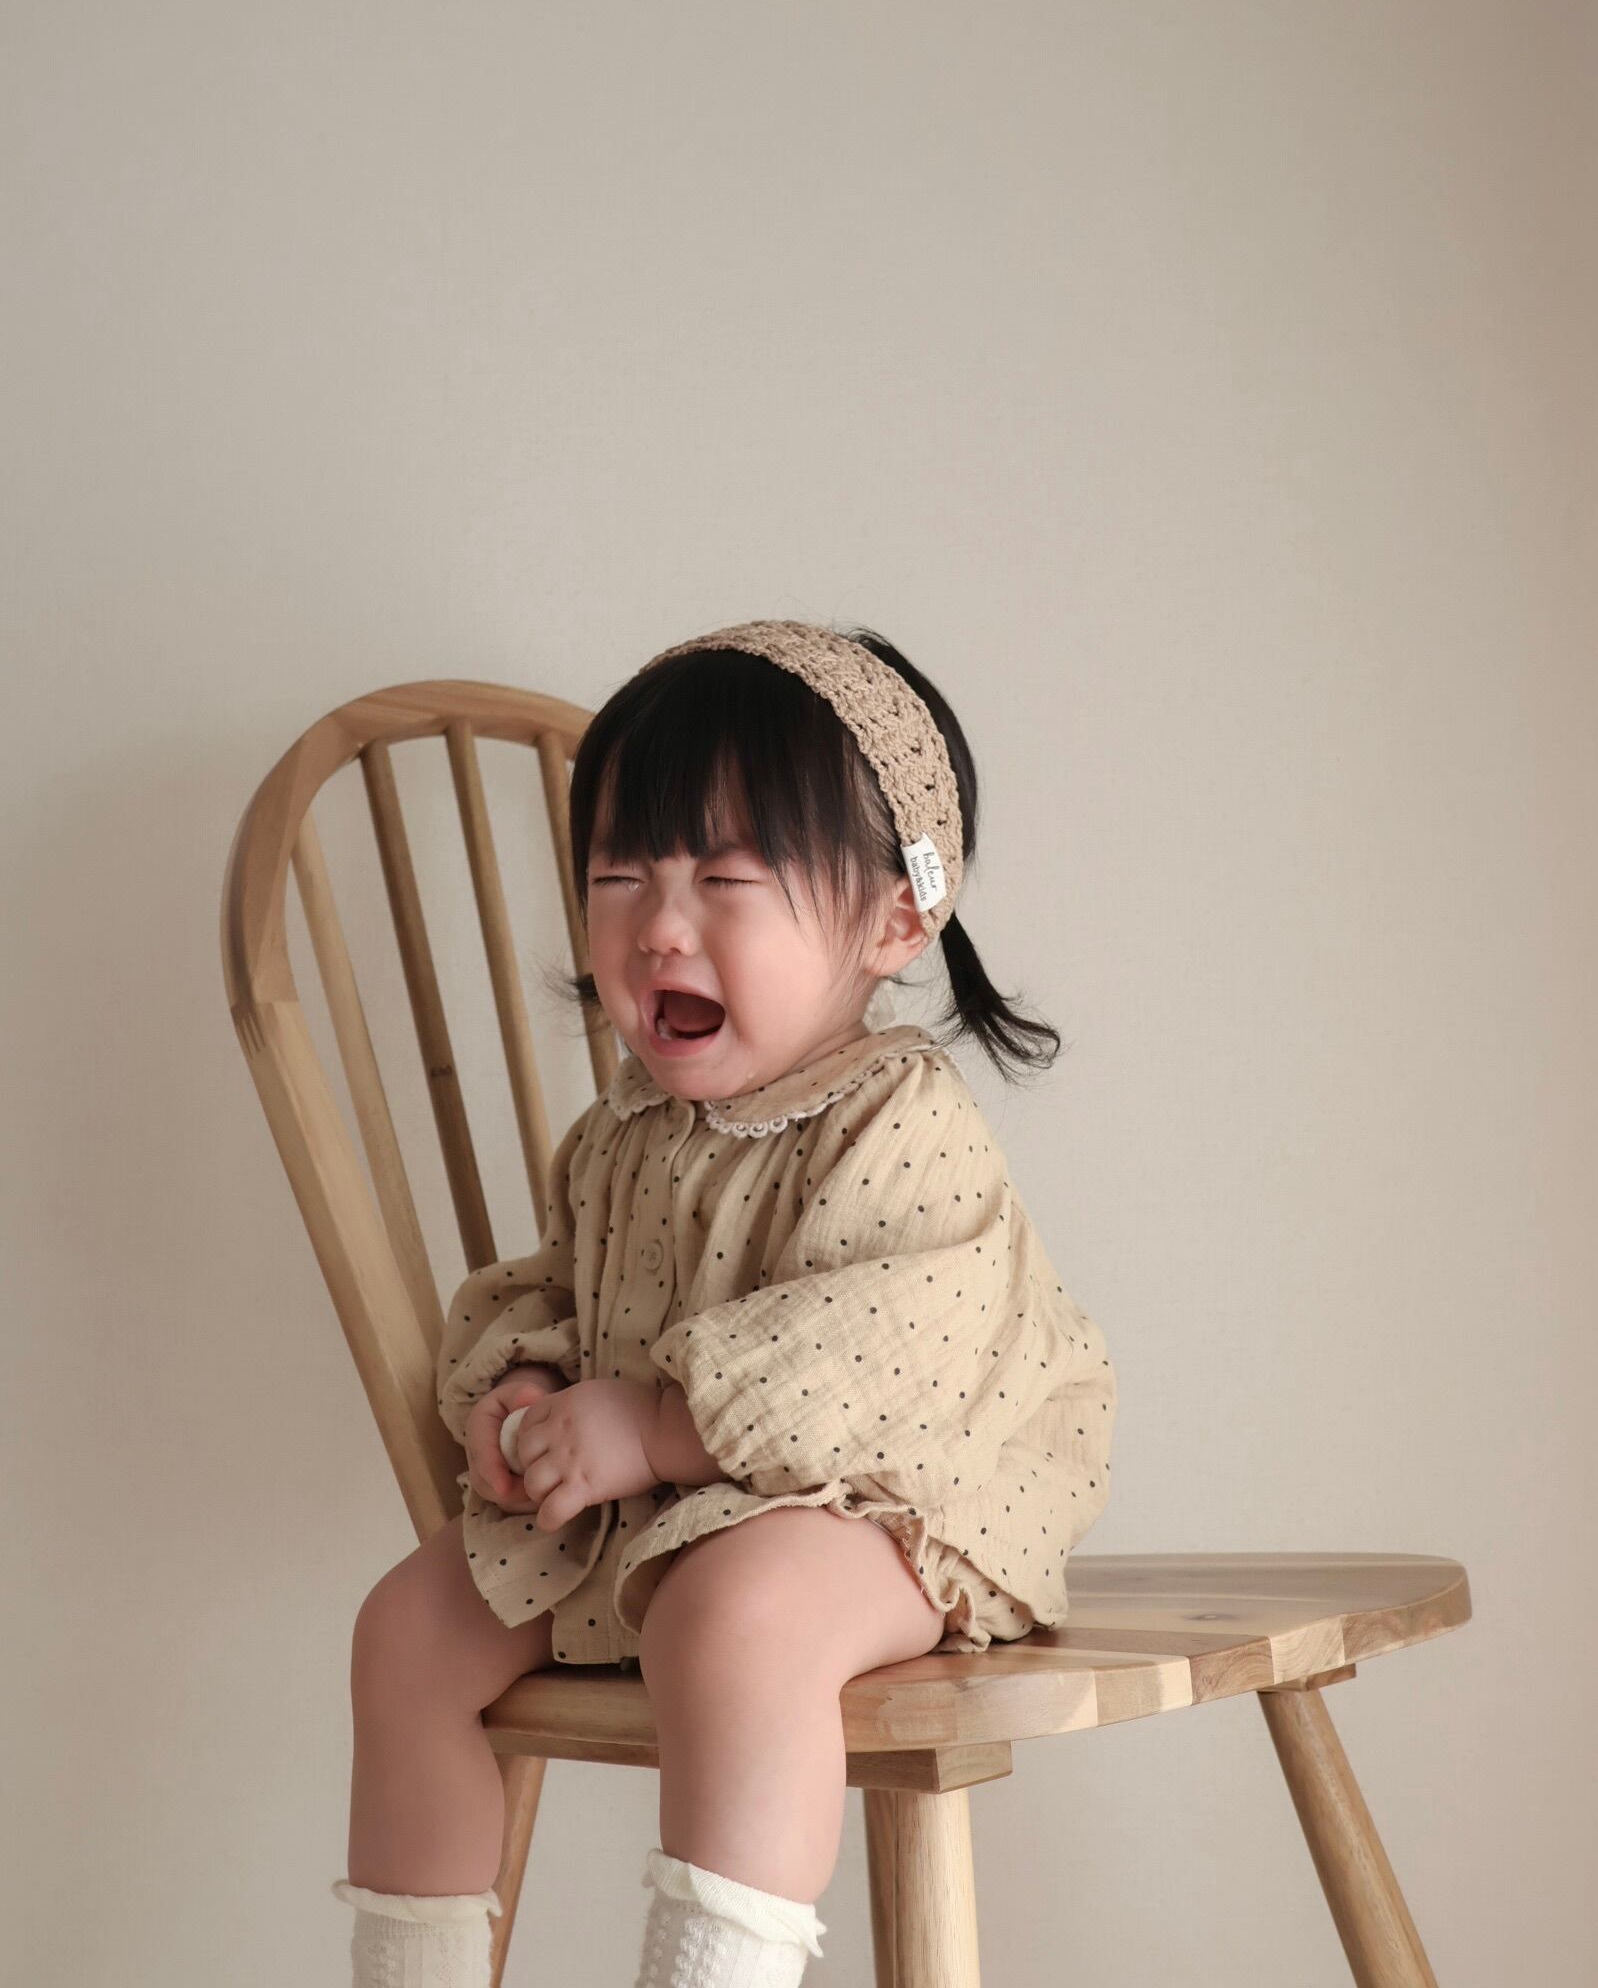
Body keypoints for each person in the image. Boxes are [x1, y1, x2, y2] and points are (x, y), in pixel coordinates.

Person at [332, 618, 1117, 1988]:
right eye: (618, 875)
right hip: (672, 1505)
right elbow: (564, 1285)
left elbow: (886, 1353)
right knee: (404, 1630)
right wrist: (526, 1390)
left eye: (726, 878)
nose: (658, 925)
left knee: (734, 1615)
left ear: (895, 918)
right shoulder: (624, 1130)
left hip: (896, 1496)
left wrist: (649, 1425)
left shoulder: (897, 1118)